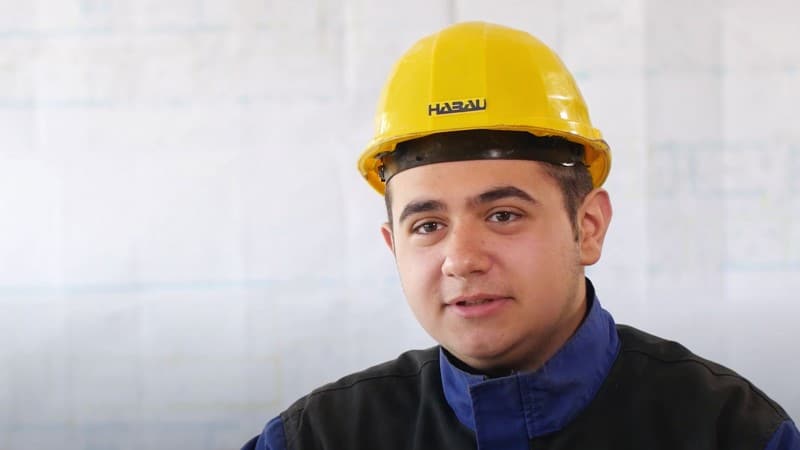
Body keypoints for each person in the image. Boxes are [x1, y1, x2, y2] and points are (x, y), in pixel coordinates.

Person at [243, 21, 799, 450]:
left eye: (503, 215)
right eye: (428, 226)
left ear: (588, 227)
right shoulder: (321, 436)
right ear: (394, 249)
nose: (461, 259)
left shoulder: (729, 431)